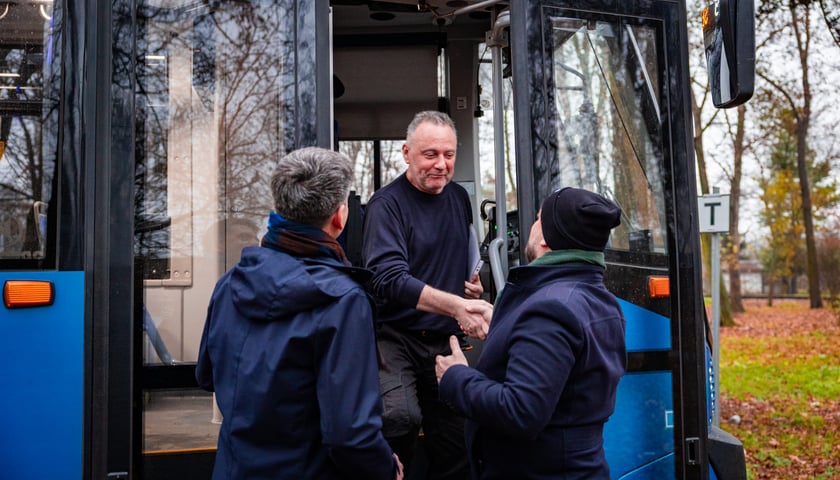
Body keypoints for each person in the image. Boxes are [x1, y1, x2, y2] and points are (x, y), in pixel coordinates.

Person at [196, 147, 402, 480]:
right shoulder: (343, 300)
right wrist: (386, 468)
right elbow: (350, 434)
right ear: (340, 216)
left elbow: (206, 377)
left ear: (280, 207)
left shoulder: (230, 282)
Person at [435, 187, 627, 480]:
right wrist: (503, 323)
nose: (533, 226)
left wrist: (455, 377)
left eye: (538, 219)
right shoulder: (599, 300)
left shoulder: (551, 310)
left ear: (547, 238)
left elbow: (520, 411)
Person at [362, 110, 493, 479]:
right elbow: (388, 278)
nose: (441, 165)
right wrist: (457, 306)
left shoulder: (459, 198)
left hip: (443, 339)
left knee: (459, 438)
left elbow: (460, 258)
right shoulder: (386, 205)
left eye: (448, 155)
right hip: (394, 338)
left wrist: (472, 287)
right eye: (430, 154)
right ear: (407, 153)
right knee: (400, 418)